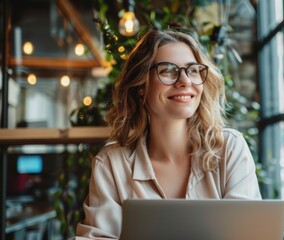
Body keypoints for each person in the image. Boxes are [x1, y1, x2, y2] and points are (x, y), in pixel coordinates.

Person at [75, 29, 261, 239]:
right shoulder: (112, 164)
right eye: (168, 70)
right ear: (141, 86)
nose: (185, 81)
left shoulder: (229, 148)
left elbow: (247, 235)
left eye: (192, 70)